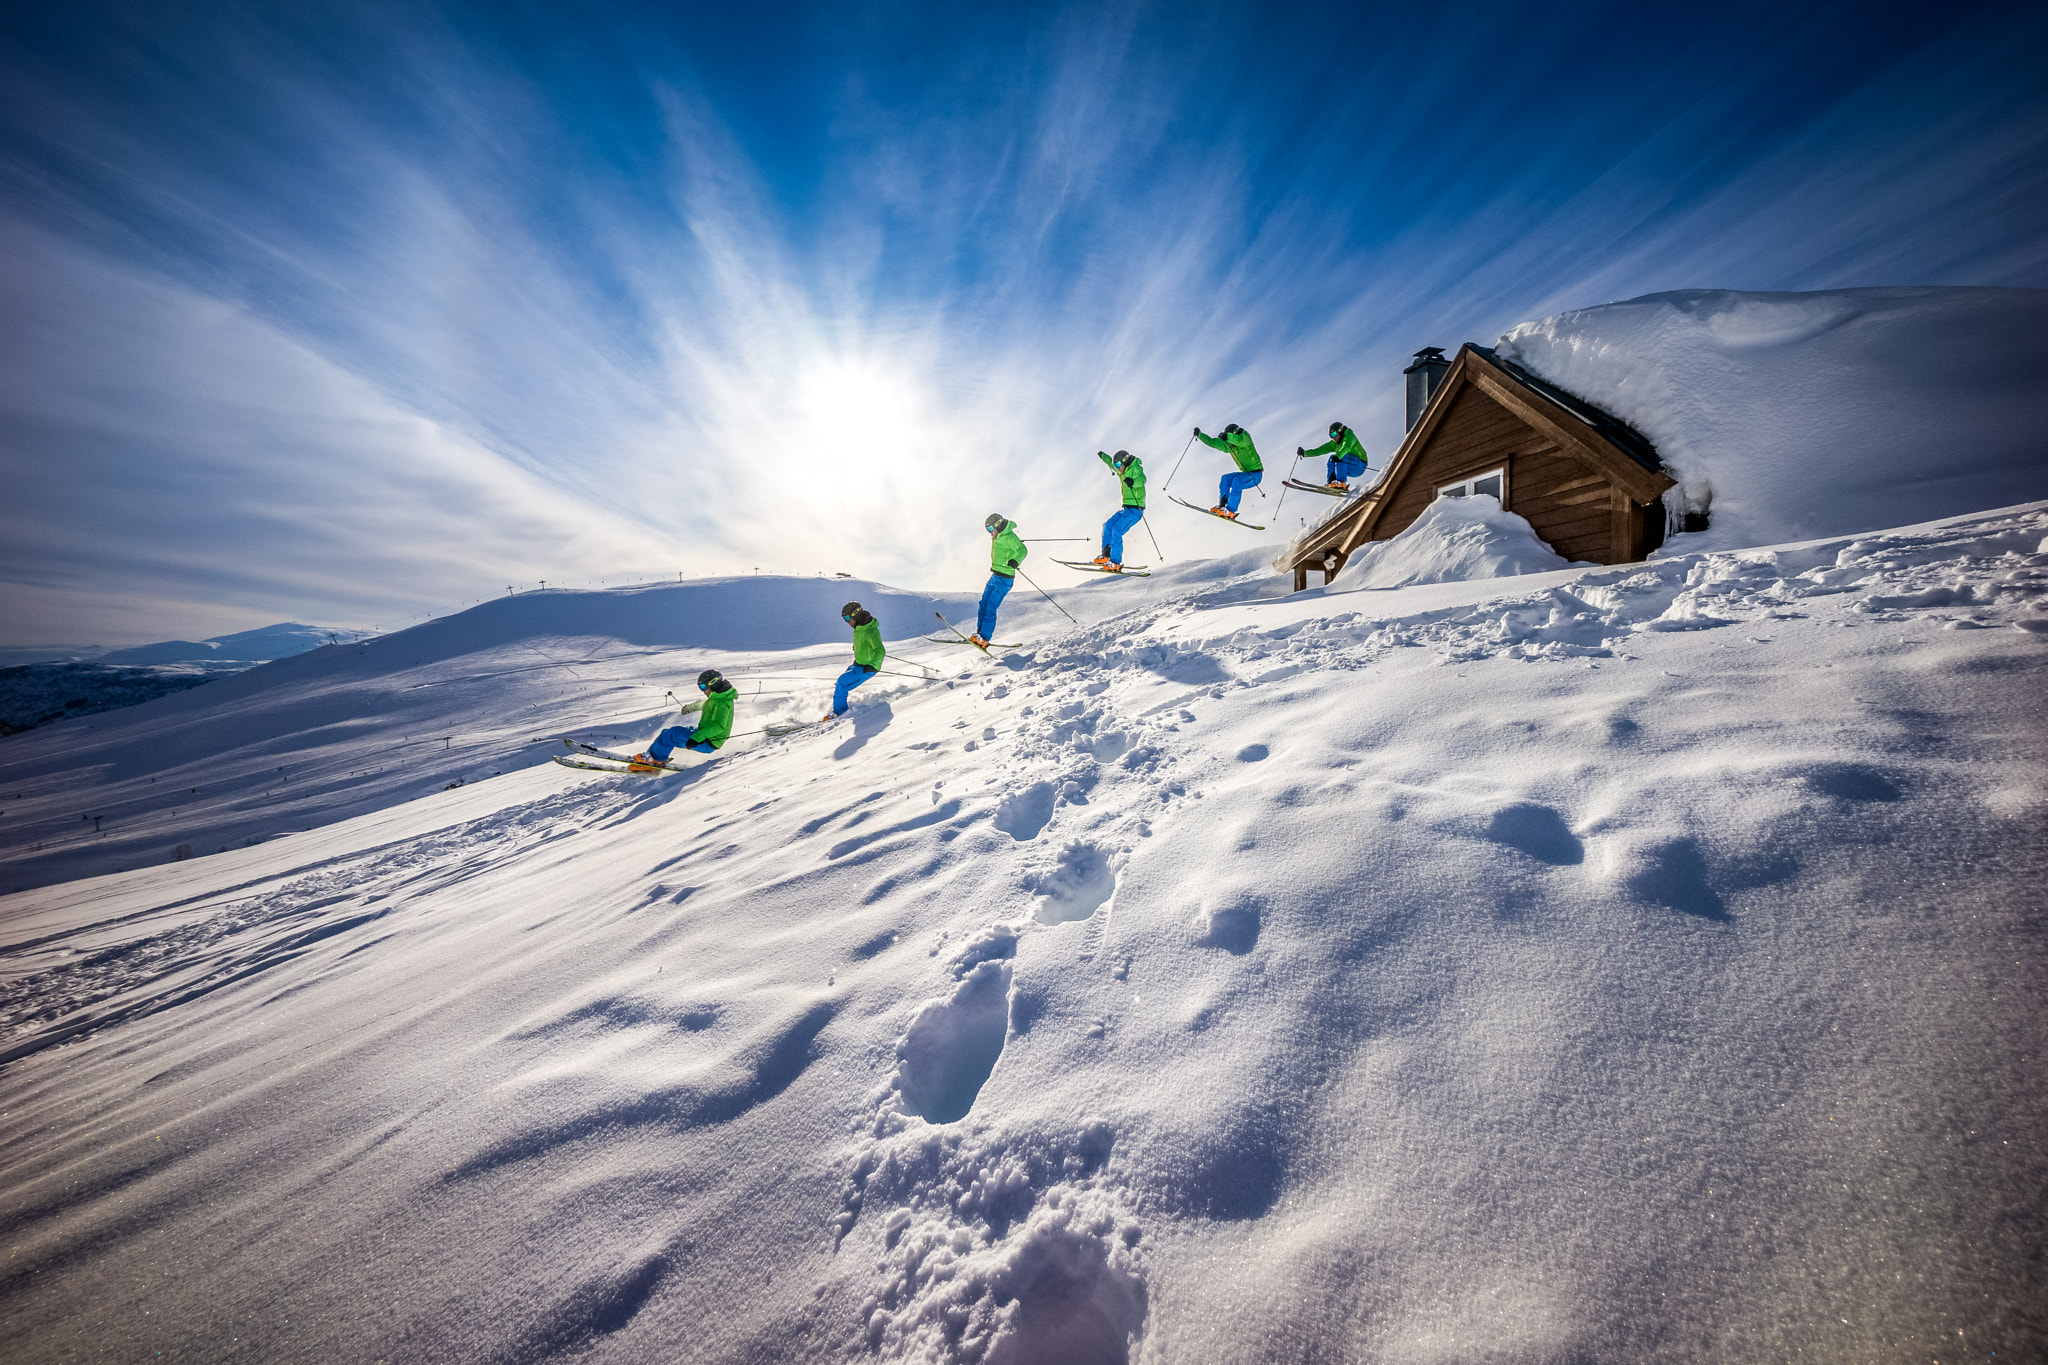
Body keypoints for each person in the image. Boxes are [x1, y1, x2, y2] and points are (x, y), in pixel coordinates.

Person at [631, 669, 736, 769]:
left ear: (713, 683)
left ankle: (655, 760)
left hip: (708, 741)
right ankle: (650, 757)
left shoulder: (722, 703)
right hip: (703, 736)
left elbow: (718, 726)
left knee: (673, 734)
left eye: (703, 687)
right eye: (700, 687)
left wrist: (696, 738)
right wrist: (690, 708)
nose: (703, 691)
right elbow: (703, 704)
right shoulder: (717, 698)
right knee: (666, 733)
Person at [973, 513, 1027, 647]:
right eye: (987, 530)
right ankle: (979, 634)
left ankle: (984, 638)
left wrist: (1015, 561)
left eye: (990, 529)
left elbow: (1023, 550)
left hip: (1005, 578)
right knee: (983, 604)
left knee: (991, 606)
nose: (990, 533)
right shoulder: (999, 536)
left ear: (997, 525)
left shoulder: (1009, 537)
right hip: (995, 575)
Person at [827, 601, 886, 718]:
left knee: (842, 683)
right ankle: (839, 708)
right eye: (844, 619)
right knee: (840, 684)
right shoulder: (859, 626)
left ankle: (839, 713)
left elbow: (880, 651)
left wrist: (873, 665)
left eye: (848, 618)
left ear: (856, 614)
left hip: (867, 668)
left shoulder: (870, 631)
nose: (847, 622)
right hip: (857, 664)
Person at [1194, 423, 1262, 518]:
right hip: (1245, 474)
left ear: (1234, 433)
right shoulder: (1230, 445)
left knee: (1237, 481)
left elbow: (1240, 441)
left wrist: (1227, 436)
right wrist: (1200, 435)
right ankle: (1223, 506)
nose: (1229, 444)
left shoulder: (1245, 437)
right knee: (1225, 479)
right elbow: (1214, 443)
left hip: (1256, 475)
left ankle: (1231, 510)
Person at [1093, 449, 1146, 571]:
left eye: (1118, 465)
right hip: (1126, 509)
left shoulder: (1135, 469)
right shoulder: (1121, 471)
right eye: (1116, 465)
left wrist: (1133, 482)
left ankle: (1115, 562)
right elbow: (1110, 463)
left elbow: (1143, 480)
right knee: (1108, 525)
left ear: (1125, 461)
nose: (1117, 468)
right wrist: (1102, 456)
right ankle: (1106, 555)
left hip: (1135, 511)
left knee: (1117, 530)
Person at [1298, 420, 1370, 491]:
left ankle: (1341, 483)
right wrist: (1305, 453)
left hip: (1360, 465)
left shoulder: (1349, 437)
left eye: (1334, 434)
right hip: (1349, 467)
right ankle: (1332, 482)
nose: (1333, 438)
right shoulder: (1334, 443)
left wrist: (1338, 456)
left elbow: (1346, 448)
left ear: (1340, 431)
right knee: (1331, 458)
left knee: (1341, 456)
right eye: (1331, 436)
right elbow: (1320, 450)